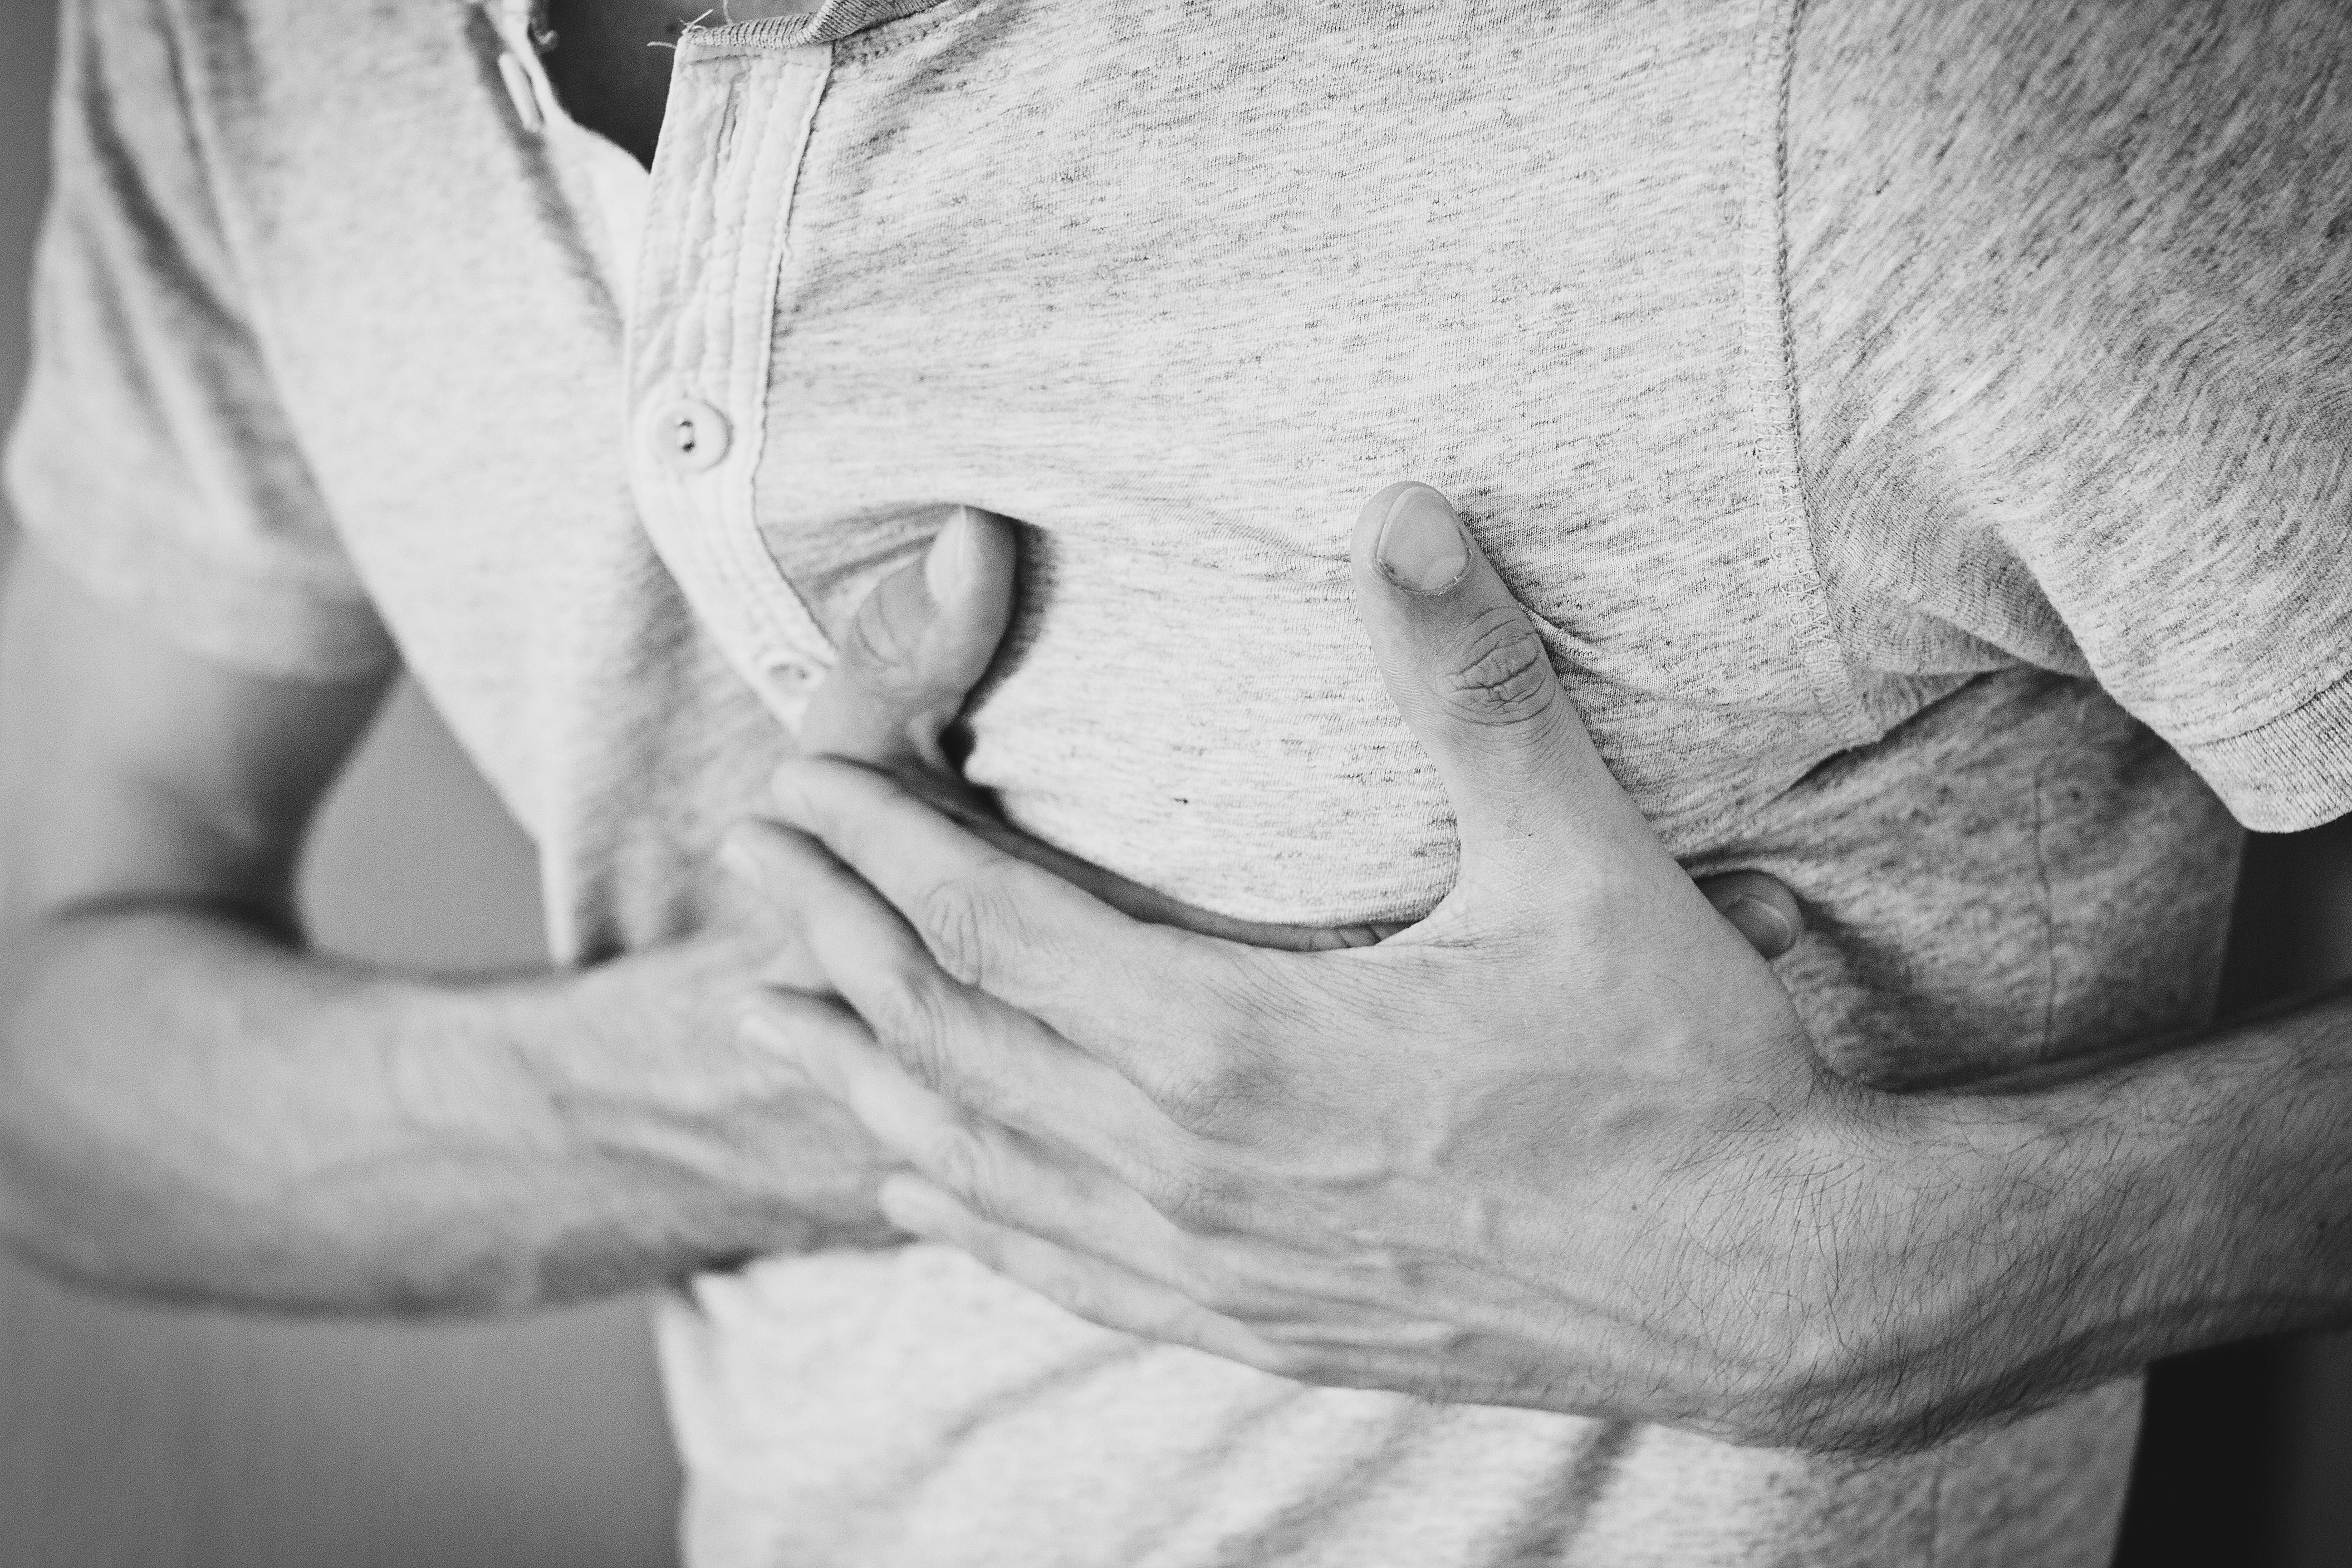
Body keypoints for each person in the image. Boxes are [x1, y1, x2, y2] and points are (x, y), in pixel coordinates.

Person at [1, 0, 2345, 1563]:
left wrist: (1922, 1278)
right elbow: (49, 1055)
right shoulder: (257, 50)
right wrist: (841, 1083)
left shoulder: (1884, 70)